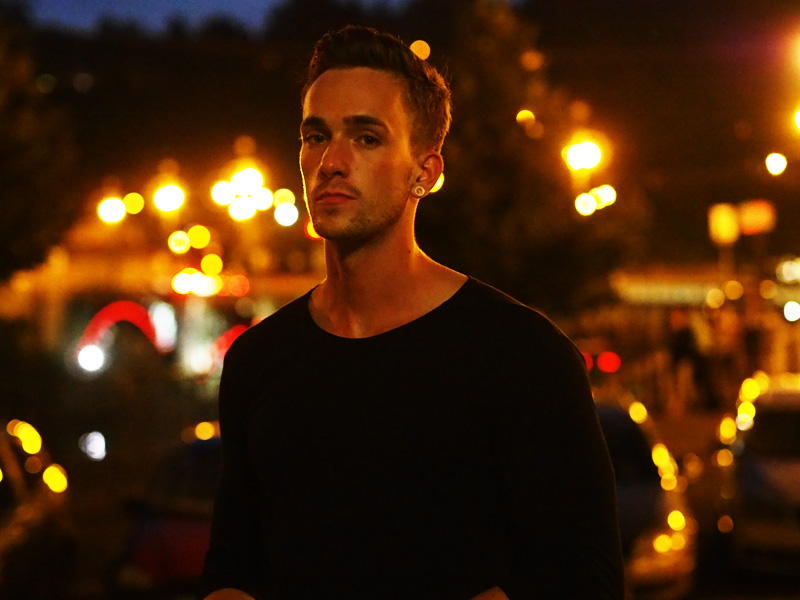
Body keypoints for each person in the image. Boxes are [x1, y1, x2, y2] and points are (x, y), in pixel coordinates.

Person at [200, 26, 624, 600]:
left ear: (425, 172)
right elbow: (233, 565)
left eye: (367, 138)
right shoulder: (258, 359)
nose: (331, 161)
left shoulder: (521, 354)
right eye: (315, 136)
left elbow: (582, 576)